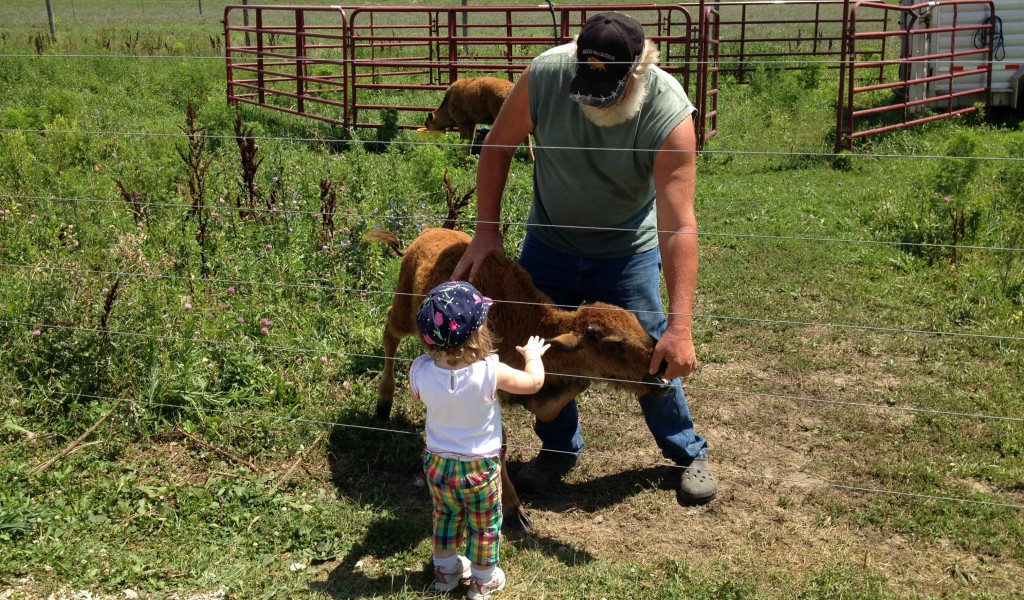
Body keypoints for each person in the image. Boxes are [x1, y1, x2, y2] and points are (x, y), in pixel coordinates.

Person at [451, 11, 718, 505]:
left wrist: (680, 326)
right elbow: (497, 144)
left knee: (652, 349)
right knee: (539, 346)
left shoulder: (668, 111)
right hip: (550, 240)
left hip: (626, 250)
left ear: (639, 70)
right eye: (586, 87)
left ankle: (686, 451)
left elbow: (679, 223)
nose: (594, 101)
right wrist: (486, 230)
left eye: (608, 91)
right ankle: (558, 449)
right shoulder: (546, 75)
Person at [410, 280, 550, 598]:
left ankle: (446, 573)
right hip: (480, 467)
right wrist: (533, 355)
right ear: (478, 332)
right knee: (485, 524)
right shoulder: (490, 371)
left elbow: (416, 394)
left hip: (438, 464)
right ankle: (483, 580)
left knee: (445, 516)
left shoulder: (420, 371)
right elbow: (534, 383)